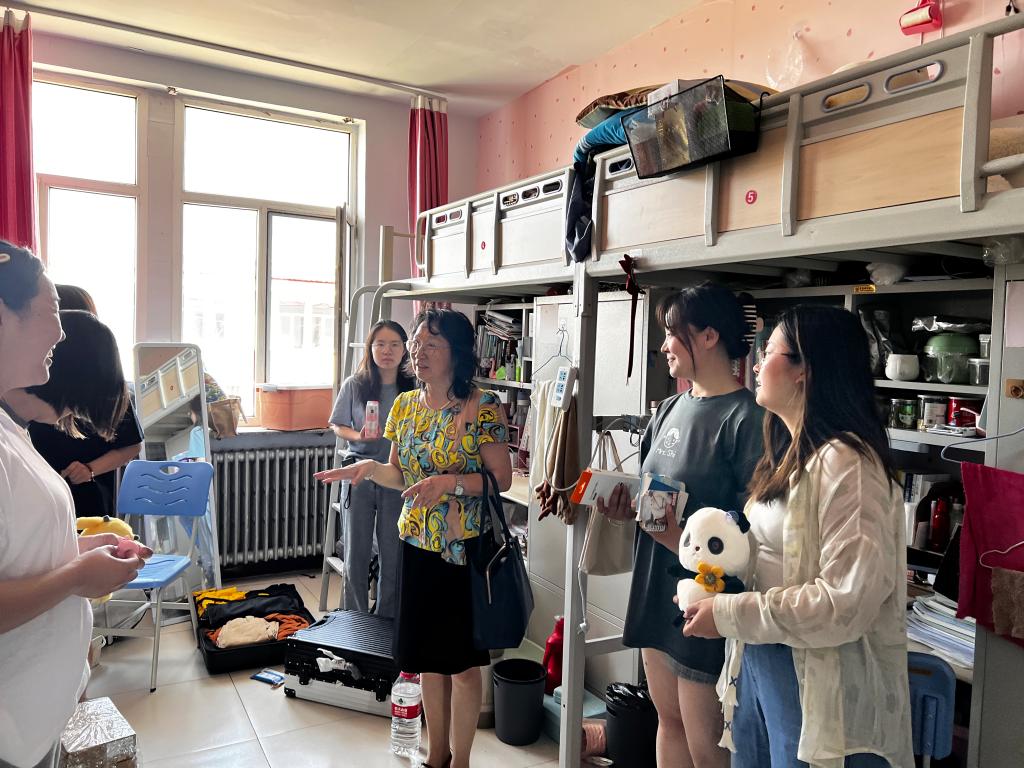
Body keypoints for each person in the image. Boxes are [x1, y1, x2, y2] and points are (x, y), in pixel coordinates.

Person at [683, 305, 914, 767]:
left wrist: (728, 612)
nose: (755, 364)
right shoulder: (794, 454)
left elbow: (843, 602)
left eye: (768, 351)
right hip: (763, 662)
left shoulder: (849, 465)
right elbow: (776, 563)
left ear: (804, 369)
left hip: (821, 687)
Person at [315, 308, 511, 768]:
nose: (418, 353)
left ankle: (460, 761)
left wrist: (450, 483)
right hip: (416, 545)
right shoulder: (405, 406)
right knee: (427, 660)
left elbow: (500, 478)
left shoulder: (482, 405)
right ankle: (436, 754)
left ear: (456, 354)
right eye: (417, 344)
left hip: (462, 550)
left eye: (431, 345)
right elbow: (399, 473)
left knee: (462, 665)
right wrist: (368, 469)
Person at [597, 283, 763, 768]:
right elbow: (654, 495)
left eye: (674, 333)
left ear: (709, 336)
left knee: (706, 748)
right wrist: (626, 507)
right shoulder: (671, 408)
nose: (665, 345)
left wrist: (677, 539)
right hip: (655, 589)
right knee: (667, 722)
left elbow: (755, 539)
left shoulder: (746, 420)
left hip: (704, 602)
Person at [0, 242, 148, 768]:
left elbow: (17, 552)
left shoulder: (12, 432)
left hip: (32, 721)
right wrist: (77, 576)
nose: (61, 332)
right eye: (52, 311)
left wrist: (79, 549)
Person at [28, 285, 143, 517]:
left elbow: (131, 444)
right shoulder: (36, 376)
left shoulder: (104, 384)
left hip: (87, 497)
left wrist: (90, 469)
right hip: (37, 494)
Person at [327, 320, 415, 618]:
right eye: (380, 344)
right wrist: (359, 436)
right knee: (356, 552)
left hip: (396, 477)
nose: (387, 351)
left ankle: (387, 619)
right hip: (358, 475)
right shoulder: (356, 384)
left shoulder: (414, 388)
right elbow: (337, 424)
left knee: (393, 553)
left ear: (404, 349)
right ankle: (353, 619)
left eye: (394, 344)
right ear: (370, 348)